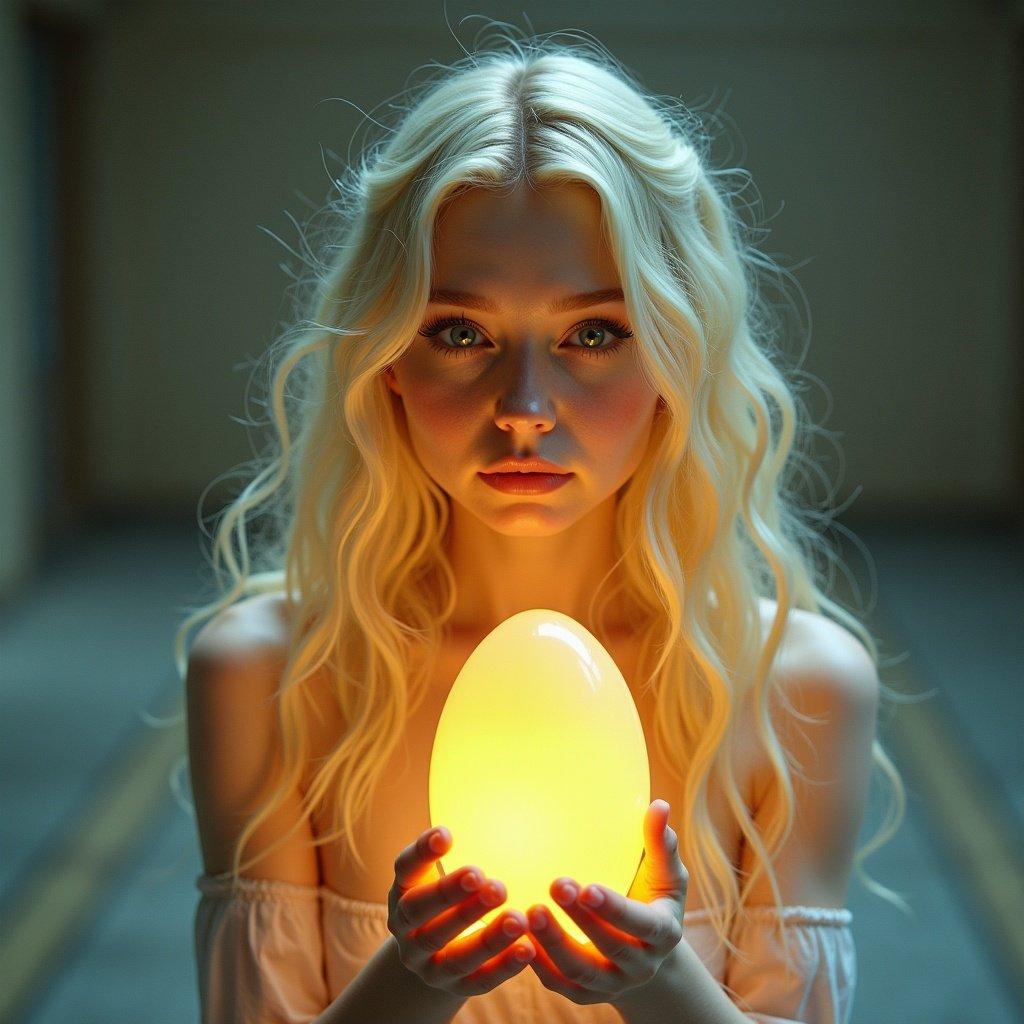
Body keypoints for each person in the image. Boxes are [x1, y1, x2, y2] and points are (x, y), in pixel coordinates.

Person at [177, 28, 909, 1024]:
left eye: (594, 334)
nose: (524, 404)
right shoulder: (271, 678)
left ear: (674, 355)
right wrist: (411, 977)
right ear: (385, 354)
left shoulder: (794, 685)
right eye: (460, 332)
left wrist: (660, 981)